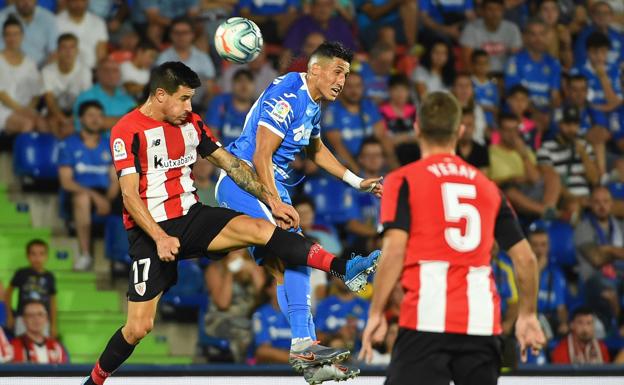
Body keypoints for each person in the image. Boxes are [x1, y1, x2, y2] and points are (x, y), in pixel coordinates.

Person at [81, 61, 380, 385]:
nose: (189, 107)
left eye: (191, 99)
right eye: (183, 99)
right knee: (138, 328)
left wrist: (271, 200)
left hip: (192, 216)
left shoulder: (191, 124)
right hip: (150, 232)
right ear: (160, 95)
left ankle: (344, 269)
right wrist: (158, 237)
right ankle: (94, 380)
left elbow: (233, 165)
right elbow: (129, 197)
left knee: (265, 231)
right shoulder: (126, 130)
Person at [216, 42, 382, 383]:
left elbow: (316, 150)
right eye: (337, 72)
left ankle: (304, 348)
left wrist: (356, 180)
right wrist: (275, 202)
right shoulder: (289, 94)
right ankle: (342, 275)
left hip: (267, 186)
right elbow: (262, 154)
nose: (342, 81)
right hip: (246, 180)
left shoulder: (313, 103)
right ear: (315, 70)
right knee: (296, 250)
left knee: (287, 265)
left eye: (347, 75)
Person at [359, 92, 545, 385]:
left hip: (425, 317)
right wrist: (528, 315)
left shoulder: (402, 179)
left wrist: (376, 313)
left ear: (417, 127)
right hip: (482, 322)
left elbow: (394, 250)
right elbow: (525, 258)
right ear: (460, 131)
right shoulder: (488, 187)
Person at [58, 101, 120, 271]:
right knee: (82, 199)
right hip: (78, 192)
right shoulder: (69, 144)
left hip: (107, 194)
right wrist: (96, 197)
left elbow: (115, 180)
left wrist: (107, 199)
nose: (96, 120)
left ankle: (126, 259)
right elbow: (66, 182)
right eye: (91, 115)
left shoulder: (111, 143)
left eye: (99, 116)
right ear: (81, 119)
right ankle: (85, 254)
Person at [574, 187, 624, 332]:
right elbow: (596, 259)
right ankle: (619, 327)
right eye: (596, 202)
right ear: (590, 204)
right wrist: (618, 252)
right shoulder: (583, 228)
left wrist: (609, 249)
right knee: (607, 289)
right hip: (593, 279)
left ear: (612, 204)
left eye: (605, 201)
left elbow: (601, 255)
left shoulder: (620, 226)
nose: (602, 206)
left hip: (620, 275)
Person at [322, 71, 390, 173]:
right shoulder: (331, 112)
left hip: (370, 160)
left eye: (358, 86)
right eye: (349, 86)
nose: (354, 90)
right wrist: (357, 173)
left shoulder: (369, 106)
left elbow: (382, 137)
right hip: (345, 164)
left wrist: (393, 162)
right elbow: (338, 146)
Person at [204, 250, 265, 363]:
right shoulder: (215, 269)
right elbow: (223, 304)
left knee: (265, 333)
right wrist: (229, 272)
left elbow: (264, 300)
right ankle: (243, 372)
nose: (237, 249)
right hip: (223, 319)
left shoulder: (256, 266)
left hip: (250, 319)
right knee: (244, 335)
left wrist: (253, 271)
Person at [537, 106, 600, 202]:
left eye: (575, 124)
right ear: (559, 124)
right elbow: (549, 182)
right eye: (567, 124)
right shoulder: (546, 148)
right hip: (563, 200)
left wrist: (583, 155)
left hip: (587, 199)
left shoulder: (585, 146)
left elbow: (595, 179)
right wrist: (574, 199)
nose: (572, 128)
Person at [0, 15, 46, 136]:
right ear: (3, 37)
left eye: (15, 34)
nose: (12, 38)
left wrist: (29, 109)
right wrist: (22, 110)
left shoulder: (30, 63)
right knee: (27, 124)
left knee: (43, 124)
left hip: (26, 109)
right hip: (3, 110)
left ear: (22, 36)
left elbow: (36, 95)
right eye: (8, 34)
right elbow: (2, 95)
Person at [155, 17, 216, 106]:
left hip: (198, 106)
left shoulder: (203, 58)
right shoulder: (163, 57)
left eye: (185, 33)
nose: (181, 36)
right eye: (177, 33)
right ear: (171, 35)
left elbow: (210, 88)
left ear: (192, 35)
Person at [504, 19, 562, 111]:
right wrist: (535, 112)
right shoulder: (515, 61)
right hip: (521, 114)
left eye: (542, 34)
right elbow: (514, 95)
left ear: (547, 37)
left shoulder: (553, 63)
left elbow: (555, 96)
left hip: (545, 114)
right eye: (533, 34)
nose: (538, 39)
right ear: (525, 37)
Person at [43, 33, 92, 139]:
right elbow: (50, 100)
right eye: (64, 47)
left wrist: (73, 119)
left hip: (77, 111)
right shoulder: (47, 71)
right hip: (54, 111)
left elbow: (85, 100)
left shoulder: (85, 71)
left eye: (72, 47)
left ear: (77, 51)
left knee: (82, 123)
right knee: (52, 123)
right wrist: (62, 118)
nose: (68, 52)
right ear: (58, 51)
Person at [4, 240, 57, 339]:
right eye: (33, 254)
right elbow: (8, 294)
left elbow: (53, 302)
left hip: (43, 319)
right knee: (22, 345)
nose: (37, 258)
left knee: (41, 347)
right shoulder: (21, 273)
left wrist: (53, 325)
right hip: (23, 318)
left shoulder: (49, 277)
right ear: (28, 256)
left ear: (46, 257)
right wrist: (10, 315)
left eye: (41, 254)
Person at [459, 0, 522, 74]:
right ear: (482, 11)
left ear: (503, 11)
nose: (494, 13)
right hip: (480, 75)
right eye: (490, 9)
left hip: (505, 74)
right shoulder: (471, 28)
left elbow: (516, 58)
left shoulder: (512, 29)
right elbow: (467, 61)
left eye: (498, 9)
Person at [73, 58, 136, 131]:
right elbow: (79, 125)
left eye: (115, 71)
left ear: (120, 74)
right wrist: (126, 121)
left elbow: (137, 122)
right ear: (97, 73)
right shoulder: (86, 97)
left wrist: (104, 122)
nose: (111, 74)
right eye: (106, 70)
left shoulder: (128, 99)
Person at [529, 228, 569, 339]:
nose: (539, 249)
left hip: (548, 319)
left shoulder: (556, 273)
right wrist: (538, 269)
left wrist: (564, 323)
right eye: (535, 245)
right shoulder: (519, 269)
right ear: (529, 247)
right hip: (528, 318)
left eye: (543, 245)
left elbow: (561, 307)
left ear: (548, 246)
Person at [315, 276, 369, 352]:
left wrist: (355, 334)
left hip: (362, 356)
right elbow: (316, 338)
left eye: (349, 274)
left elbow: (377, 337)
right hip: (333, 355)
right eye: (341, 275)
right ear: (333, 278)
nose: (345, 279)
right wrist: (338, 334)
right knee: (337, 344)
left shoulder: (366, 305)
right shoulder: (324, 305)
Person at [204, 69, 255, 147]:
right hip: (220, 153)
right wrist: (226, 157)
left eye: (248, 81)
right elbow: (212, 133)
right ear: (232, 84)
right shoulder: (220, 102)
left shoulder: (259, 108)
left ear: (254, 86)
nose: (244, 86)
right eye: (239, 81)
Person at [0, 0, 58, 67]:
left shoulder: (48, 18)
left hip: (40, 69)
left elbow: (54, 52)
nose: (26, 2)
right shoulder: (2, 17)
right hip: (7, 69)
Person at [56, 0, 109, 70]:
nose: (78, 4)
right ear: (67, 2)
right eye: (74, 1)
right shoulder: (56, 21)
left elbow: (101, 54)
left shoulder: (98, 22)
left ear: (87, 2)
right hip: (66, 70)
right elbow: (55, 52)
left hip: (92, 70)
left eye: (82, 1)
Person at [378, 74, 418, 166]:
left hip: (414, 154)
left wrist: (400, 138)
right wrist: (409, 136)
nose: (400, 93)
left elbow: (419, 136)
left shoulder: (413, 110)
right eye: (396, 89)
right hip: (392, 155)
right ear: (389, 91)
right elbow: (385, 139)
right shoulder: (382, 111)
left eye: (404, 90)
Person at [252, 277, 292, 364]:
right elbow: (263, 350)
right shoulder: (261, 314)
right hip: (270, 365)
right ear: (269, 290)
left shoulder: (301, 313)